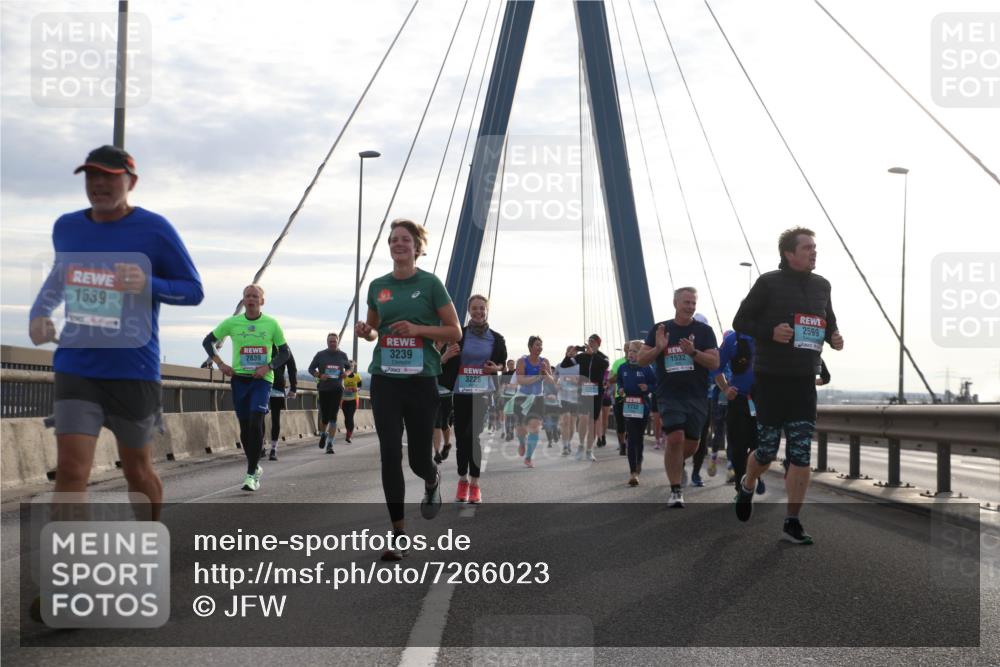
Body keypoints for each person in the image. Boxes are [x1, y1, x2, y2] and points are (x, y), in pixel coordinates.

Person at [29, 145, 203, 518]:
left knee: (137, 471)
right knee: (72, 470)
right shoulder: (67, 227)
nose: (98, 184)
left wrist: (147, 282)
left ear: (131, 181)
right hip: (77, 364)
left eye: (108, 177)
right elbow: (61, 276)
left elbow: (193, 291)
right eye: (91, 176)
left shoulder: (154, 230)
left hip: (132, 368)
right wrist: (40, 312)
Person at [355, 218, 461, 560]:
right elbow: (373, 330)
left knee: (418, 459)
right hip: (385, 379)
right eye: (393, 240)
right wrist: (366, 331)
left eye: (405, 240)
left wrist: (417, 329)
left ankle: (431, 479)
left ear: (417, 248)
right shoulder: (378, 286)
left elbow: (454, 331)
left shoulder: (431, 285)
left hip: (420, 379)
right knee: (389, 452)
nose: (398, 244)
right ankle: (398, 533)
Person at [732, 227, 844, 545]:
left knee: (801, 453)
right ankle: (748, 482)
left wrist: (833, 338)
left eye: (814, 247)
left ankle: (792, 521)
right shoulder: (768, 283)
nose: (813, 252)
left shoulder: (823, 285)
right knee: (766, 451)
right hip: (770, 380)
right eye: (807, 247)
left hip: (803, 382)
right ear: (789, 254)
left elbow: (827, 323)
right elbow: (740, 321)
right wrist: (770, 331)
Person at [637, 288, 719, 508]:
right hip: (669, 395)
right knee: (675, 438)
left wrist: (693, 352)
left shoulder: (704, 331)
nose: (690, 307)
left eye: (693, 303)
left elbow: (714, 363)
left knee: (692, 444)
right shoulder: (661, 329)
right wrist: (659, 348)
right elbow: (642, 359)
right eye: (686, 302)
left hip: (697, 396)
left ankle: (677, 462)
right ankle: (675, 491)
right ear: (675, 303)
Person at [203, 284, 290, 491]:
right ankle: (255, 465)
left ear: (262, 301)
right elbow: (208, 341)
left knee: (255, 420)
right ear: (243, 300)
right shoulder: (233, 323)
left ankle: (250, 475)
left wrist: (267, 366)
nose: (251, 299)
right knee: (244, 428)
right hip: (239, 380)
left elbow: (285, 353)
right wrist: (221, 364)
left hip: (262, 380)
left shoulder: (272, 324)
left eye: (255, 296)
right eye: (247, 296)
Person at [439, 294, 507, 503]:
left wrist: (496, 368)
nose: (479, 312)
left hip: (482, 394)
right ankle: (462, 480)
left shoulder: (496, 338)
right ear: (469, 311)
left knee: (473, 436)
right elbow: (438, 362)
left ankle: (475, 483)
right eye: (475, 308)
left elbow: (502, 364)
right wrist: (446, 356)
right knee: (462, 437)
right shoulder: (459, 335)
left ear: (487, 311)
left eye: (482, 308)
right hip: (460, 392)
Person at [715, 328, 756, 491]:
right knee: (738, 446)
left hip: (763, 401)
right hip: (739, 400)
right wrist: (725, 389)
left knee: (759, 446)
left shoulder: (770, 336)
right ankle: (741, 485)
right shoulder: (732, 340)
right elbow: (716, 367)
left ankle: (754, 476)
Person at [561, 334, 609, 462]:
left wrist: (593, 354)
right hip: (582, 391)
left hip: (596, 392)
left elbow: (604, 366)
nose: (590, 343)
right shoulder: (581, 357)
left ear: (599, 344)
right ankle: (581, 445)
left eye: (593, 342)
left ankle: (589, 450)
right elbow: (565, 365)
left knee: (592, 421)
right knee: (583, 418)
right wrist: (569, 354)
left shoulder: (602, 357)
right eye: (589, 341)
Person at [616, 341, 657, 486]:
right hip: (628, 404)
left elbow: (655, 384)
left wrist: (647, 387)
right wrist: (620, 389)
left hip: (643, 405)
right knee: (631, 438)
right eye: (629, 351)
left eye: (634, 351)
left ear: (640, 353)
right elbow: (619, 381)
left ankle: (639, 461)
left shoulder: (646, 368)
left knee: (638, 439)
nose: (630, 354)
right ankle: (633, 472)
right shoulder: (623, 368)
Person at [511, 336, 552, 468]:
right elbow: (521, 380)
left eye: (541, 345)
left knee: (535, 428)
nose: (539, 347)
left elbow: (551, 381)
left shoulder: (544, 361)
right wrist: (538, 376)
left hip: (538, 398)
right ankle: (522, 442)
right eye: (537, 345)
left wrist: (545, 373)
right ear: (530, 347)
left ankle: (528, 458)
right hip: (522, 398)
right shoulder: (522, 361)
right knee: (521, 429)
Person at [308, 333, 351, 453]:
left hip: (337, 389)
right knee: (325, 418)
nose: (332, 343)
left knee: (333, 417)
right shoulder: (320, 355)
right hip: (324, 389)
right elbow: (311, 369)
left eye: (334, 341)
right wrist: (320, 375)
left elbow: (349, 368)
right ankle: (323, 434)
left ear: (337, 342)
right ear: (327, 342)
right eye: (330, 341)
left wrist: (346, 373)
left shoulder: (343, 355)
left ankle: (330, 444)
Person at [267, 344, 298, 461]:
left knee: (275, 418)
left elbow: (292, 367)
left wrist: (293, 387)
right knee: (258, 417)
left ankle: (273, 448)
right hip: (260, 384)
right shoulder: (261, 341)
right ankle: (259, 447)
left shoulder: (284, 348)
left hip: (277, 387)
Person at [555, 351, 582, 456]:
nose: (571, 355)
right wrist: (556, 385)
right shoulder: (560, 366)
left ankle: (569, 442)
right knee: (565, 421)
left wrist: (576, 381)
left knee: (572, 423)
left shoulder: (579, 367)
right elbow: (554, 379)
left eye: (573, 353)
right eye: (569, 352)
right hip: (563, 397)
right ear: (566, 354)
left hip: (575, 398)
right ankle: (565, 446)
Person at [433, 342, 455, 465]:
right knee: (435, 423)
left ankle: (446, 445)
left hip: (447, 393)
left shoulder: (452, 349)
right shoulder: (429, 348)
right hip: (432, 392)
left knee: (444, 424)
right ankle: (436, 452)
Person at [608, 349, 630, 456]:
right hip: (619, 397)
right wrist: (619, 375)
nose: (630, 352)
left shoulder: (642, 362)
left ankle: (629, 443)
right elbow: (610, 379)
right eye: (628, 349)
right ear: (626, 350)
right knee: (620, 423)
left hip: (635, 397)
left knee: (632, 423)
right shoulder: (618, 363)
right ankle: (622, 444)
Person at [341, 362, 362, 443]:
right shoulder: (343, 376)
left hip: (354, 399)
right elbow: (340, 384)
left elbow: (360, 386)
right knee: (346, 418)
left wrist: (357, 389)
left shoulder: (357, 376)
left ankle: (349, 436)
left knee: (350, 417)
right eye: (348, 367)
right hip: (344, 399)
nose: (350, 368)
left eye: (351, 367)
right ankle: (348, 431)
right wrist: (344, 388)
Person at [500, 359, 517, 441]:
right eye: (510, 364)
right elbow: (502, 385)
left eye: (513, 364)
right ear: (507, 365)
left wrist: (513, 385)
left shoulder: (517, 373)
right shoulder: (505, 374)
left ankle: (511, 431)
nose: (512, 365)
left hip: (515, 397)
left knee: (513, 416)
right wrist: (504, 386)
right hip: (506, 397)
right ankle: (508, 433)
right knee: (507, 415)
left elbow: (520, 383)